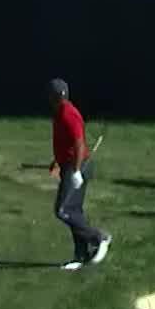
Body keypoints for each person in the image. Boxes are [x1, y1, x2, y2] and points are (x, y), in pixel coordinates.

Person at [46, 79, 110, 271]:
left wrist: (75, 171)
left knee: (63, 210)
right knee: (74, 211)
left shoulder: (68, 114)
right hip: (70, 165)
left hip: (78, 167)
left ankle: (99, 237)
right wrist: (58, 160)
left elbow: (79, 144)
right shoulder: (60, 113)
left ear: (54, 96)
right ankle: (80, 255)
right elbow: (66, 144)